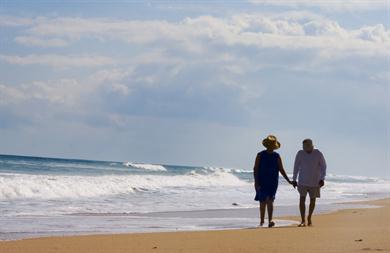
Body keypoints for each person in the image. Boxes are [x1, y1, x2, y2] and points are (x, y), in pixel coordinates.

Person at [253, 135, 292, 228]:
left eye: (272, 145)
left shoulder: (276, 156)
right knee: (262, 201)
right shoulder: (260, 155)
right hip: (261, 181)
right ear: (267, 145)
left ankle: (270, 220)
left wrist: (289, 180)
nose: (270, 147)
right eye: (269, 145)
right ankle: (262, 221)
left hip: (273, 181)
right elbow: (255, 169)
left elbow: (281, 169)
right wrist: (256, 182)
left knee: (270, 200)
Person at [292, 139, 327, 227]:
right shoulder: (300, 153)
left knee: (313, 200)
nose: (305, 149)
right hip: (302, 181)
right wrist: (294, 179)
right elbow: (296, 166)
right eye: (304, 147)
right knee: (302, 199)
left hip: (315, 181)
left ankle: (309, 217)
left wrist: (322, 178)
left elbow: (324, 166)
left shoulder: (317, 153)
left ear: (311, 146)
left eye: (307, 147)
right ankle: (303, 220)